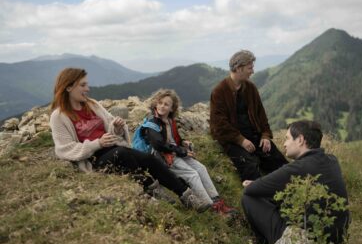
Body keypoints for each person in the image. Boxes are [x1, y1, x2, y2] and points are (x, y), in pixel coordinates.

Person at [49, 68, 204, 211]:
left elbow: (110, 124)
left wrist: (116, 127)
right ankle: (152, 188)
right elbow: (64, 149)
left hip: (112, 148)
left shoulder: (92, 104)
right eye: (82, 85)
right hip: (93, 159)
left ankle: (186, 195)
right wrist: (98, 143)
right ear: (68, 87)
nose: (87, 89)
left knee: (149, 159)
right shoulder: (59, 116)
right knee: (122, 153)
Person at [241, 120, 350, 244]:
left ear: (300, 140)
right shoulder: (332, 160)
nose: (284, 143)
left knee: (248, 198)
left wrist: (258, 184)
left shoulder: (298, 168)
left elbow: (251, 190)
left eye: (287, 138)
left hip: (310, 243)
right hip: (337, 239)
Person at [140, 89, 236, 215]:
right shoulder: (152, 123)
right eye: (160, 103)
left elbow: (174, 139)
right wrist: (181, 152)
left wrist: (183, 142)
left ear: (172, 108)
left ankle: (217, 202)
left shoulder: (169, 120)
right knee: (192, 174)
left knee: (201, 168)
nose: (162, 106)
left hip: (175, 152)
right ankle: (212, 207)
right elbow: (159, 145)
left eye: (166, 104)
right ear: (156, 104)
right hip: (164, 157)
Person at [210, 50, 288, 181]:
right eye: (250, 68)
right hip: (233, 141)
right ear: (239, 68)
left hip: (254, 136)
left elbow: (261, 114)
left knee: (280, 163)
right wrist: (241, 140)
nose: (252, 71)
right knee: (251, 169)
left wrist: (265, 135)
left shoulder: (251, 88)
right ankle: (261, 199)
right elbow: (219, 125)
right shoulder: (219, 91)